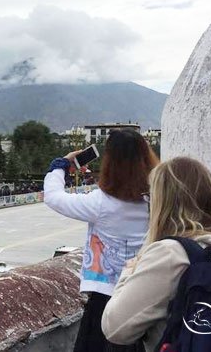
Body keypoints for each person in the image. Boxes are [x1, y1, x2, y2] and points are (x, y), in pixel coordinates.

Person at [102, 157, 211, 350]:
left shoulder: (170, 254)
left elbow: (115, 328)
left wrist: (130, 269)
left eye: (149, 197)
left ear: (163, 203)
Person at [43, 128, 158, 352]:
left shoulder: (100, 203)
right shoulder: (158, 199)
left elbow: (54, 197)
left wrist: (61, 166)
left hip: (106, 298)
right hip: (147, 294)